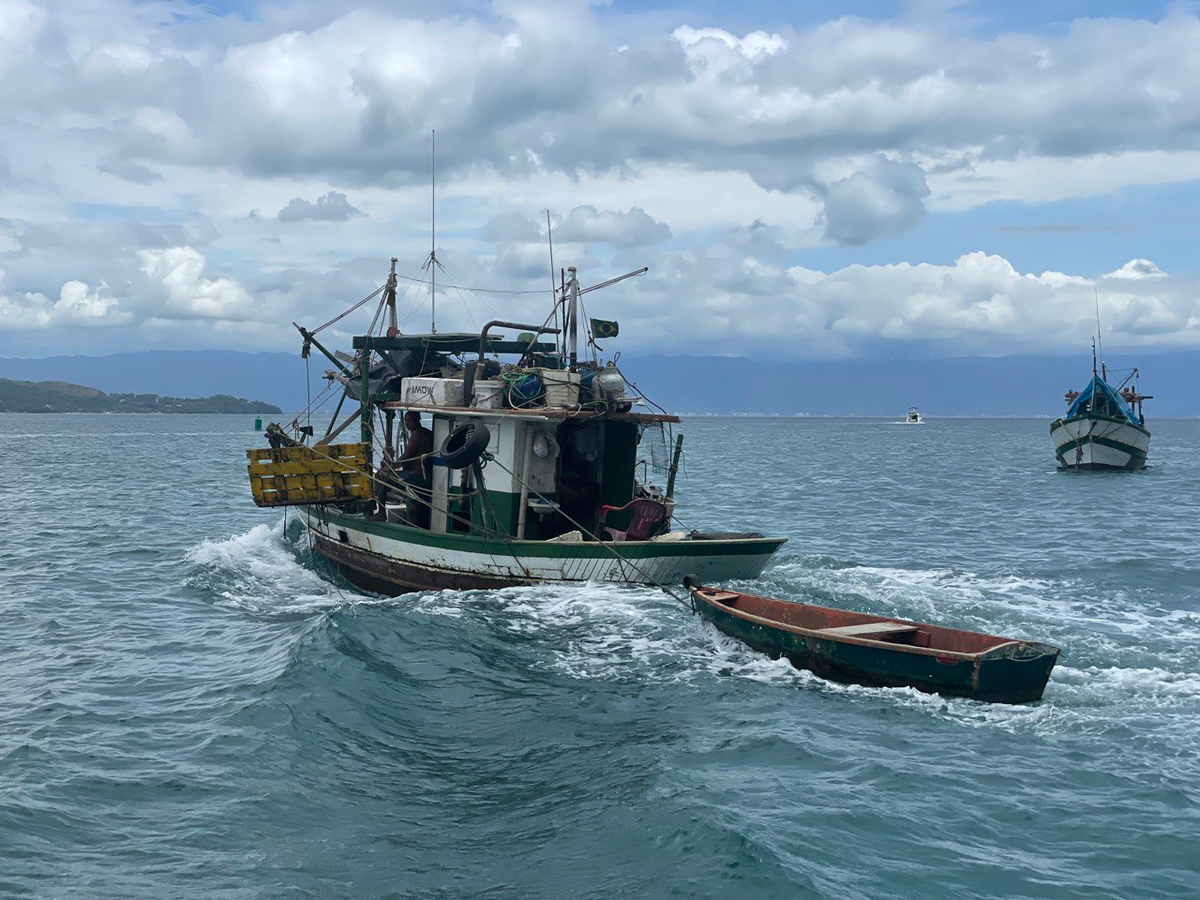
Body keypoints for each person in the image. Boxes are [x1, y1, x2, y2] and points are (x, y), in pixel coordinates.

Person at [394, 411, 433, 527]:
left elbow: (406, 457)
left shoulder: (417, 434)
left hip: (418, 478)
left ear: (417, 420)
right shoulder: (427, 433)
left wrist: (390, 467)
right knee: (417, 507)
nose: (406, 423)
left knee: (381, 476)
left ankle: (381, 512)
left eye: (409, 420)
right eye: (405, 421)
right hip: (426, 478)